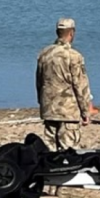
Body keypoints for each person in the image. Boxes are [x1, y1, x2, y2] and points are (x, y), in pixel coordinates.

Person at [35, 18, 92, 150]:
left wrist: (42, 103)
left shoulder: (44, 54)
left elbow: (39, 82)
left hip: (49, 109)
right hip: (68, 112)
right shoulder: (74, 56)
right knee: (69, 152)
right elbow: (80, 86)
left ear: (57, 32)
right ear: (72, 33)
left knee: (50, 152)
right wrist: (85, 112)